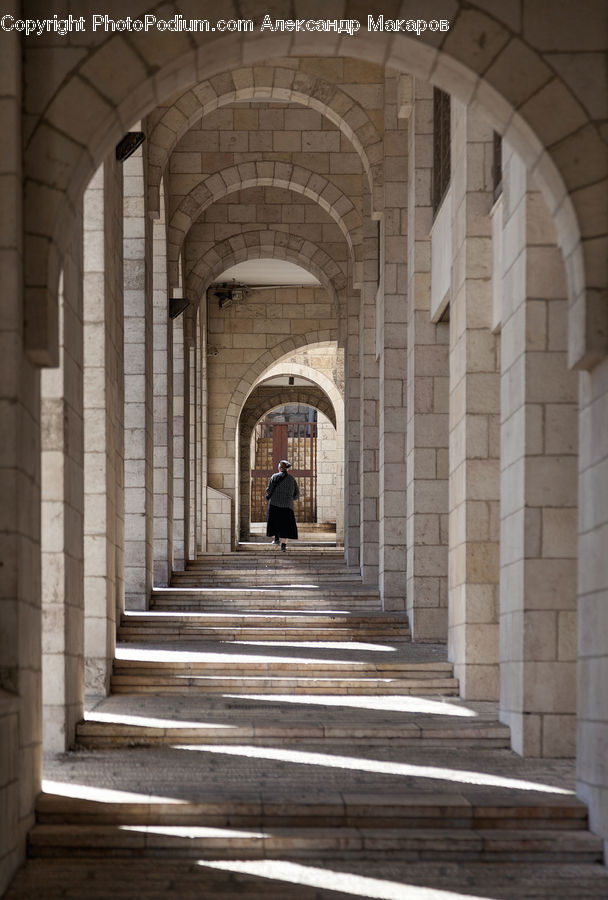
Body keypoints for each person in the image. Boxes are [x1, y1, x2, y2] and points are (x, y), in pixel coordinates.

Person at [266, 459, 299, 552]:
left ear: (279, 468)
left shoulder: (274, 477)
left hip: (274, 504)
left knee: (276, 522)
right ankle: (283, 545)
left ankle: (276, 539)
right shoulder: (292, 479)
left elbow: (269, 490)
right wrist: (289, 499)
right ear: (287, 469)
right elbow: (296, 494)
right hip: (287, 506)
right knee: (285, 525)